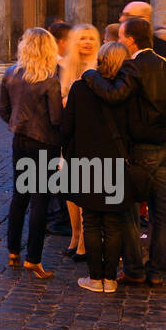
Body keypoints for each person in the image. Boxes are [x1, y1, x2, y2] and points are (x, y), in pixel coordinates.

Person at [82, 17, 166, 286]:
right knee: (162, 213)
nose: (118, 41)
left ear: (130, 40)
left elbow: (115, 95)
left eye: (121, 37)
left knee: (128, 210)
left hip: (140, 149)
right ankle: (157, 271)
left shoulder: (134, 67)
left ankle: (134, 268)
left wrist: (90, 75)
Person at [61, 41, 135, 293]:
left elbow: (66, 127)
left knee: (91, 220)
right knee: (113, 223)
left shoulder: (80, 88)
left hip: (86, 161)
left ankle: (94, 278)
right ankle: (110, 279)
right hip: (116, 161)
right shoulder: (128, 91)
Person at [0, 28, 63, 280]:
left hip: (20, 141)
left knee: (20, 196)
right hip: (45, 143)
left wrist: (18, 126)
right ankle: (34, 259)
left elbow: (4, 111)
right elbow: (56, 118)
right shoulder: (50, 79)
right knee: (40, 201)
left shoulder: (10, 74)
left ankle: (13, 251)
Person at [59, 24, 100, 261]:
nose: (86, 42)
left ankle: (85, 239)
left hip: (91, 135)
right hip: (69, 136)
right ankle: (75, 234)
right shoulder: (66, 67)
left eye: (91, 38)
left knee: (85, 189)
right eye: (82, 38)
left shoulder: (101, 66)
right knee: (69, 189)